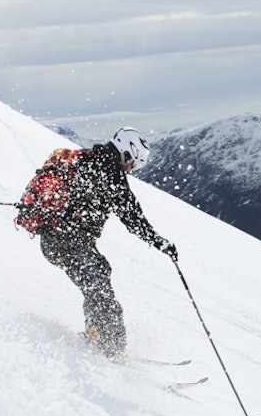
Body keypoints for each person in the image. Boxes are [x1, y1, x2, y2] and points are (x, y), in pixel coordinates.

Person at [37, 127, 177, 359]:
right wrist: (159, 242)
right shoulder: (110, 174)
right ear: (126, 153)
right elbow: (132, 218)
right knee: (103, 297)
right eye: (135, 163)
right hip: (69, 242)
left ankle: (95, 335)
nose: (133, 169)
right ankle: (111, 354)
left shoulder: (86, 158)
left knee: (100, 272)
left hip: (59, 238)